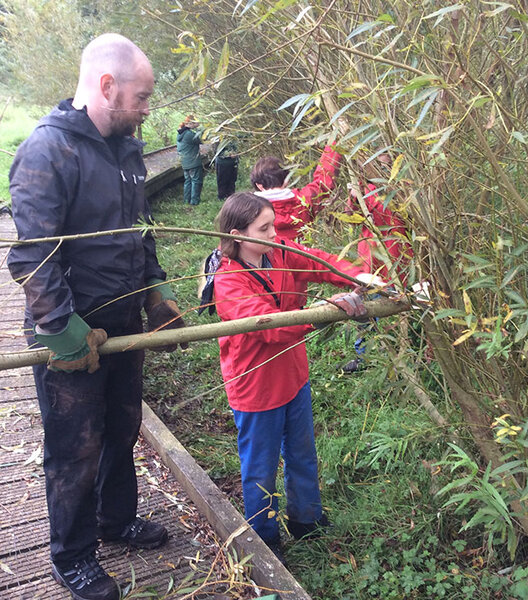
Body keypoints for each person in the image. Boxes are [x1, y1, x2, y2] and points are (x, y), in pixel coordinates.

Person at [8, 34, 187, 600]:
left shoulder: (129, 148)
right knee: (75, 446)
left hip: (125, 323)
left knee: (122, 426)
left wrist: (156, 297)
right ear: (106, 87)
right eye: (141, 97)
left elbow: (142, 232)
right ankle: (73, 556)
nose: (147, 108)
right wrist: (63, 330)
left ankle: (116, 520)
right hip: (70, 333)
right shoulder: (47, 151)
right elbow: (32, 256)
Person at [212, 192, 372, 561]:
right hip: (256, 387)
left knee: (302, 453)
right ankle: (265, 540)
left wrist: (361, 277)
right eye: (264, 229)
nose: (274, 234)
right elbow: (273, 327)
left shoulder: (279, 250)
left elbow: (321, 264)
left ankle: (306, 519)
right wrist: (326, 310)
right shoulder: (229, 282)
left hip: (294, 375)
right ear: (238, 235)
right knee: (260, 469)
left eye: (273, 226)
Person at [342, 156, 413, 372]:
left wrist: (364, 194)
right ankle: (364, 358)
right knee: (364, 313)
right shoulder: (365, 190)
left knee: (393, 313)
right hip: (369, 267)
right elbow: (350, 215)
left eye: (385, 164)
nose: (381, 168)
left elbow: (389, 212)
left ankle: (398, 360)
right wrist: (355, 195)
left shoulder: (401, 190)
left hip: (395, 266)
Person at [251, 145, 342, 242]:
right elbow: (323, 181)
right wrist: (334, 144)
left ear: (259, 185)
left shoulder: (249, 211)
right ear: (287, 180)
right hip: (301, 256)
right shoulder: (303, 201)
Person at [176, 114, 205, 205]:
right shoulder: (189, 134)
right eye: (196, 123)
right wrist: (199, 128)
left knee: (188, 181)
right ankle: (194, 202)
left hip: (185, 162)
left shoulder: (181, 133)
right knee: (196, 181)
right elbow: (201, 140)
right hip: (193, 162)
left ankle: (186, 200)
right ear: (191, 124)